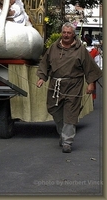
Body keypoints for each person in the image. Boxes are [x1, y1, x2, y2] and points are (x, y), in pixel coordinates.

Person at [36, 22, 102, 153]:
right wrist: (42, 77)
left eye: (69, 33)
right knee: (54, 110)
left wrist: (91, 83)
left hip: (74, 85)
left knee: (70, 113)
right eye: (64, 32)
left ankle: (67, 141)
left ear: (73, 35)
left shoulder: (81, 50)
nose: (66, 35)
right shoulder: (54, 47)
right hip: (56, 85)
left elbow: (89, 67)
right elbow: (45, 63)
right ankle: (62, 133)